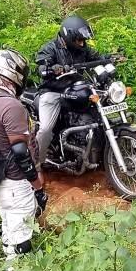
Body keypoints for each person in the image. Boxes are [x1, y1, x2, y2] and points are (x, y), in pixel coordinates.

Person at [0, 49, 47, 261]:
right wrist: (37, 184)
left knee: (10, 229)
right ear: (13, 72)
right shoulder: (11, 105)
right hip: (15, 182)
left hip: (0, 180)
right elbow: (20, 151)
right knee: (21, 240)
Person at [34, 15, 110, 164]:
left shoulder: (82, 49)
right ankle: (35, 165)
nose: (82, 44)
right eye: (79, 40)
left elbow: (96, 59)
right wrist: (51, 69)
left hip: (76, 89)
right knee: (45, 130)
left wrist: (108, 59)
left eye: (84, 40)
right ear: (69, 37)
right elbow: (42, 65)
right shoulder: (50, 48)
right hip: (53, 92)